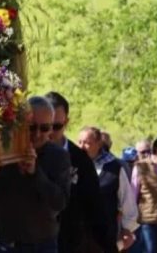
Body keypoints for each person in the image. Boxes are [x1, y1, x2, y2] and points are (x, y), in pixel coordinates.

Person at [0, 96, 71, 252]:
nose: (37, 134)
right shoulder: (1, 150)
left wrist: (35, 173)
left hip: (40, 246)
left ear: (51, 129)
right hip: (1, 244)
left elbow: (59, 202)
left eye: (44, 128)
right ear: (20, 125)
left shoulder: (58, 156)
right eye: (31, 127)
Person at [44, 92, 113, 253]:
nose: (49, 133)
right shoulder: (27, 156)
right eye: (45, 126)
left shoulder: (80, 160)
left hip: (70, 242)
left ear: (66, 122)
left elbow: (95, 207)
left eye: (56, 126)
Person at [78, 127, 139, 251]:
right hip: (76, 234)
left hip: (105, 235)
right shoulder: (72, 165)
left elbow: (127, 201)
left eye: (87, 143)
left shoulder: (114, 168)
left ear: (98, 144)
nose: (82, 147)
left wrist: (127, 229)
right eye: (79, 142)